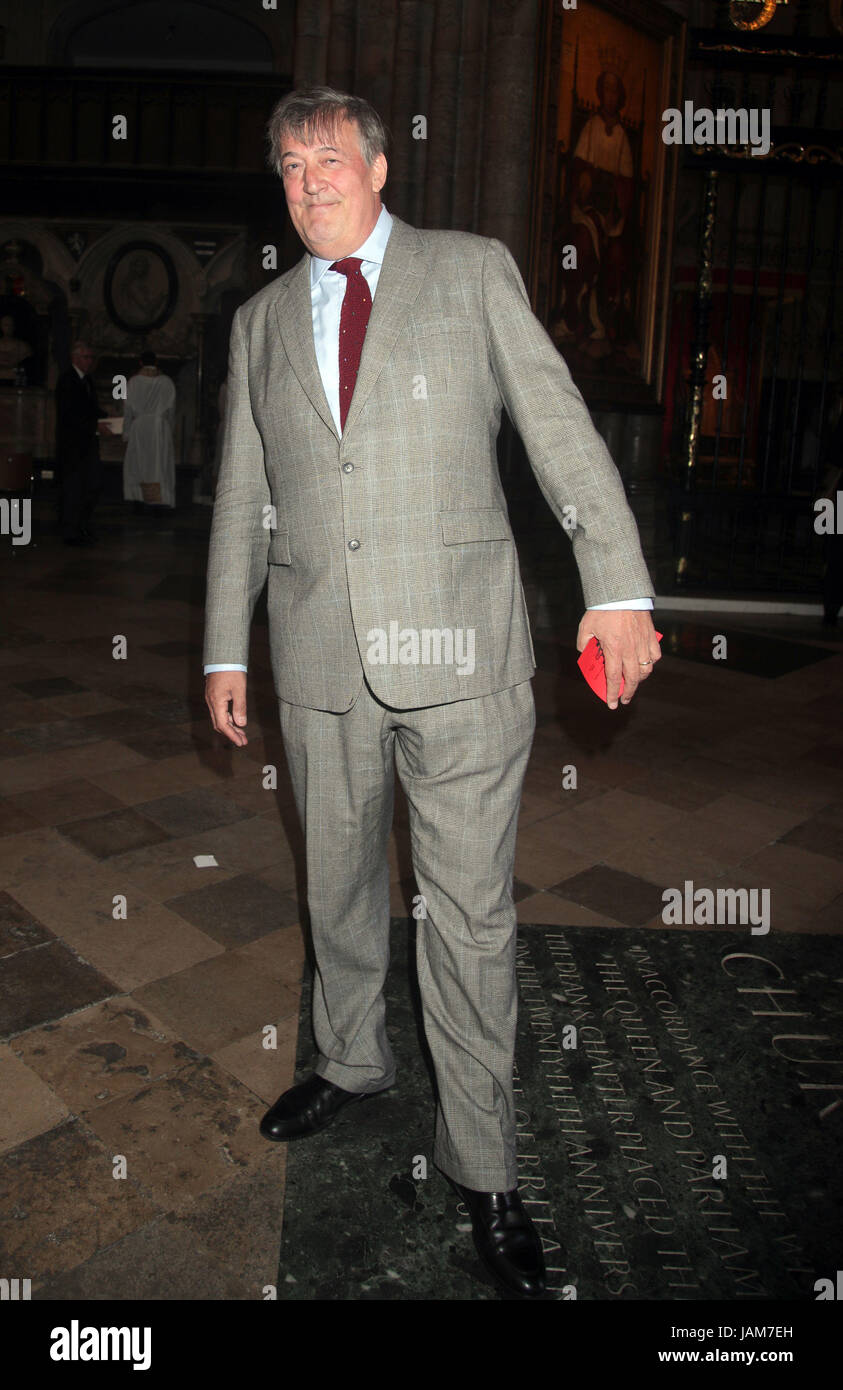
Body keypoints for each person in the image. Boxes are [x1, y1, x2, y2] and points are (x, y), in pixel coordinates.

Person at [203, 87, 660, 1299]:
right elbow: (241, 498)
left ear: (378, 168)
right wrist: (221, 649)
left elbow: (559, 431)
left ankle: (486, 1163)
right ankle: (348, 1061)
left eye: (329, 161)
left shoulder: (468, 274)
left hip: (460, 662)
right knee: (337, 883)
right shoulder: (255, 325)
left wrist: (614, 583)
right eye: (290, 167)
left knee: (465, 918)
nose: (310, 184)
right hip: (315, 665)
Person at [55, 340, 110, 545]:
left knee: (92, 485)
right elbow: (70, 415)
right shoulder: (67, 381)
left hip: (87, 444)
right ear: (75, 358)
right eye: (86, 357)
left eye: (91, 357)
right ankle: (71, 531)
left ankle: (82, 525)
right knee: (74, 489)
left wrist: (106, 418)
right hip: (73, 446)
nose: (90, 361)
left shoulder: (87, 380)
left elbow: (91, 408)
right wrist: (95, 426)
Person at [122, 350, 177, 512]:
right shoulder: (167, 382)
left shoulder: (133, 382)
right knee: (159, 464)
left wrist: (126, 433)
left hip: (139, 428)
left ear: (140, 362)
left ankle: (139, 499)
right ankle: (159, 501)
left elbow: (127, 410)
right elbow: (171, 409)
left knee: (139, 464)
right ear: (156, 362)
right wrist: (170, 430)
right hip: (159, 428)